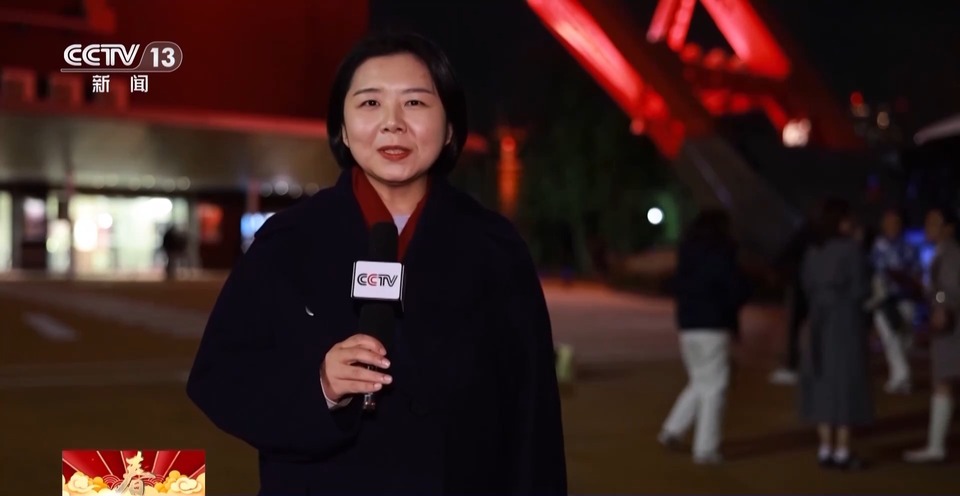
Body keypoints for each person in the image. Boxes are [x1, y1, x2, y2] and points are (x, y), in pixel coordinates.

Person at [186, 32, 567, 495]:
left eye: (415, 103)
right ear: (343, 129)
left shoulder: (496, 247)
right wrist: (321, 385)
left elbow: (534, 419)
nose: (393, 124)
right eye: (370, 103)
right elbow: (219, 377)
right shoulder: (287, 241)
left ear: (450, 127)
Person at [658, 209, 750, 464]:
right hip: (713, 324)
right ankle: (706, 448)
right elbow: (735, 288)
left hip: (688, 325)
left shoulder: (687, 253)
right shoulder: (722, 253)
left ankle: (672, 430)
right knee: (714, 387)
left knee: (700, 382)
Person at [799, 198, 872, 470]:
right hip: (844, 320)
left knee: (821, 380)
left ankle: (824, 447)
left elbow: (806, 285)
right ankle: (842, 450)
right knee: (845, 382)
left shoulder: (813, 252)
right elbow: (861, 289)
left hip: (818, 318)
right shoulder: (851, 250)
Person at [903, 206, 960, 463]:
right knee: (944, 382)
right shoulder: (944, 252)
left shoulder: (949, 253)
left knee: (943, 382)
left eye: (934, 223)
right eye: (927, 222)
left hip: (951, 328)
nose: (928, 227)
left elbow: (948, 290)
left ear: (949, 228)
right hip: (950, 325)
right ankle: (935, 445)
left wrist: (938, 303)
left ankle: (936, 446)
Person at [866, 208, 921, 394]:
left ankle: (901, 378)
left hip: (905, 299)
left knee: (903, 340)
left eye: (895, 222)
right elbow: (872, 272)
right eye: (887, 222)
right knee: (890, 338)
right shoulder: (877, 247)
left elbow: (916, 274)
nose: (891, 226)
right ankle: (901, 376)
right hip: (884, 300)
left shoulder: (909, 248)